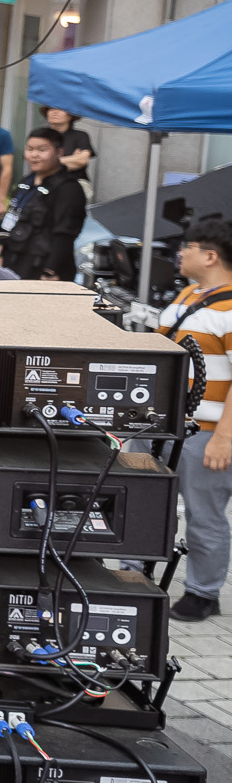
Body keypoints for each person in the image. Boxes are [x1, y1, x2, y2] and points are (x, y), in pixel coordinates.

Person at [163, 218, 232, 621]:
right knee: (149, 506)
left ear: (210, 255)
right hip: (164, 428)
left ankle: (203, 592)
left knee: (204, 514)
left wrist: (224, 438)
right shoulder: (187, 294)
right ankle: (136, 577)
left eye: (187, 247)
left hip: (205, 432)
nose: (180, 253)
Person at [4, 128, 88, 281]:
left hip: (45, 269)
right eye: (30, 149)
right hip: (15, 262)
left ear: (59, 152)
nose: (34, 155)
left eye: (42, 150)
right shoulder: (25, 182)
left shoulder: (69, 188)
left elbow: (65, 234)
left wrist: (50, 270)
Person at [41, 104, 97, 181]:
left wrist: (50, 163)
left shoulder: (80, 135)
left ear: (70, 115)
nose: (55, 112)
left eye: (60, 109)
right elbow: (37, 163)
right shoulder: (41, 136)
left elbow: (82, 160)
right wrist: (71, 160)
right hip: (47, 182)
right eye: (51, 109)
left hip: (76, 181)